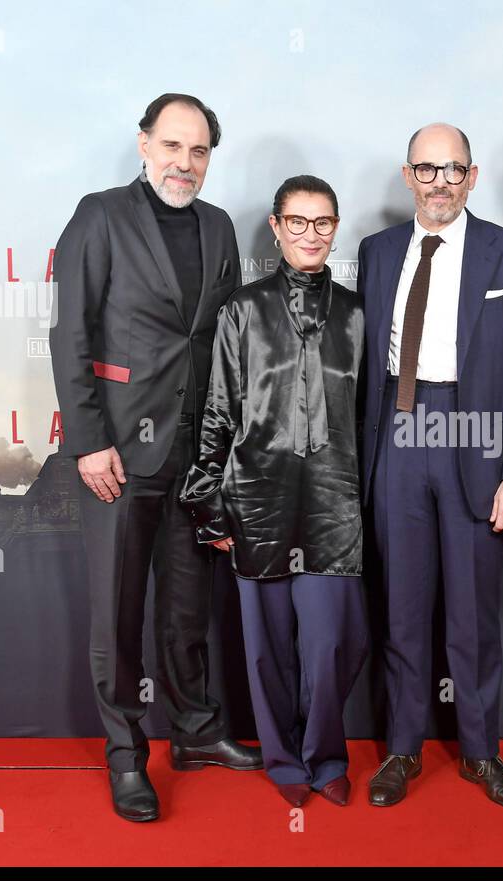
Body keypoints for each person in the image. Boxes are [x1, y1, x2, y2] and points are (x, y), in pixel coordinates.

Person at [50, 93, 262, 824]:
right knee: (117, 612)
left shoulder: (219, 226)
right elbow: (69, 333)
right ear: (144, 145)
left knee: (187, 607)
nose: (185, 162)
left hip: (195, 454)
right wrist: (87, 441)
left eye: (199, 150)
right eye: (172, 146)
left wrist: (226, 448)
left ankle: (198, 732)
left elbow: (228, 342)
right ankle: (125, 756)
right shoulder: (100, 214)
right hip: (117, 452)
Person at [357, 124, 503, 808]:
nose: (441, 181)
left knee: (472, 615)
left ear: (473, 176)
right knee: (402, 610)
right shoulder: (376, 253)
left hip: (477, 438)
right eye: (427, 169)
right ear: (408, 175)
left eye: (454, 169)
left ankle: (480, 751)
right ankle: (403, 751)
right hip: (397, 437)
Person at [180, 176, 367, 808]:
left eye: (323, 223)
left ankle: (327, 756)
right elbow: (217, 413)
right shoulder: (242, 309)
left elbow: (368, 417)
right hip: (256, 497)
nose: (310, 234)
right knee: (265, 649)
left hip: (334, 503)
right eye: (298, 222)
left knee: (330, 645)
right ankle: (285, 764)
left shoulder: (357, 314)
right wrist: (211, 502)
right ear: (276, 226)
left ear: (335, 229)